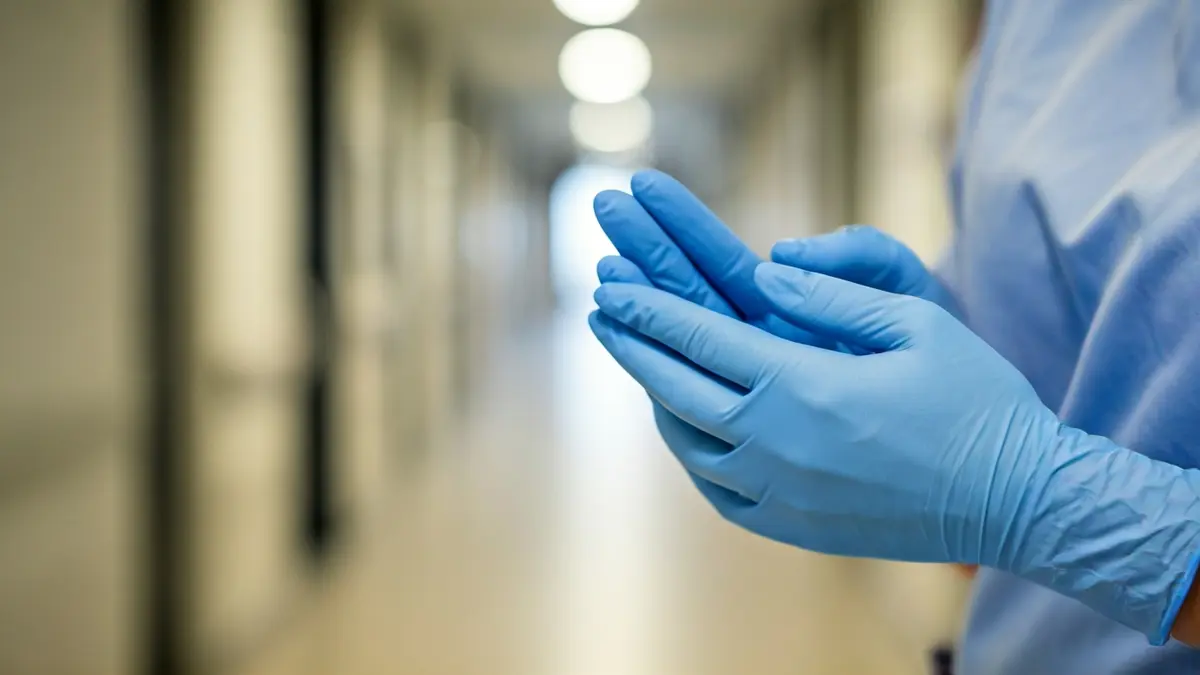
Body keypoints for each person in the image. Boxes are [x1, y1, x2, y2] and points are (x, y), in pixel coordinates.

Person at [585, 1, 1200, 673]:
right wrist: (920, 451)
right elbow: (996, 540)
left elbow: (1026, 494)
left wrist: (1044, 497)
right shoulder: (1031, 21)